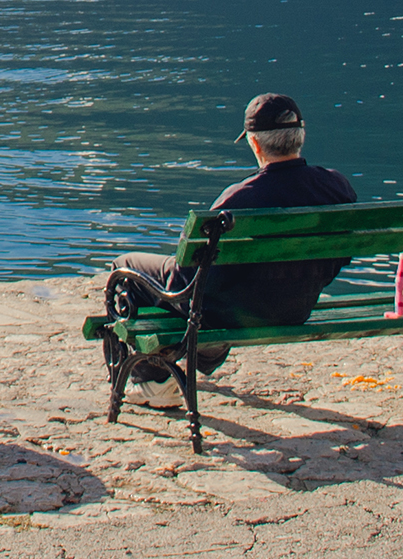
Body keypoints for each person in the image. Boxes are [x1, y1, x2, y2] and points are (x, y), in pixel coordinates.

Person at [112, 93, 356, 404]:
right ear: (300, 138)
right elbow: (341, 256)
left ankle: (154, 381)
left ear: (255, 145)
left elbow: (185, 283)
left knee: (126, 268)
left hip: (238, 316)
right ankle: (190, 361)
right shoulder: (337, 187)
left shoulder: (237, 202)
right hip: (297, 308)